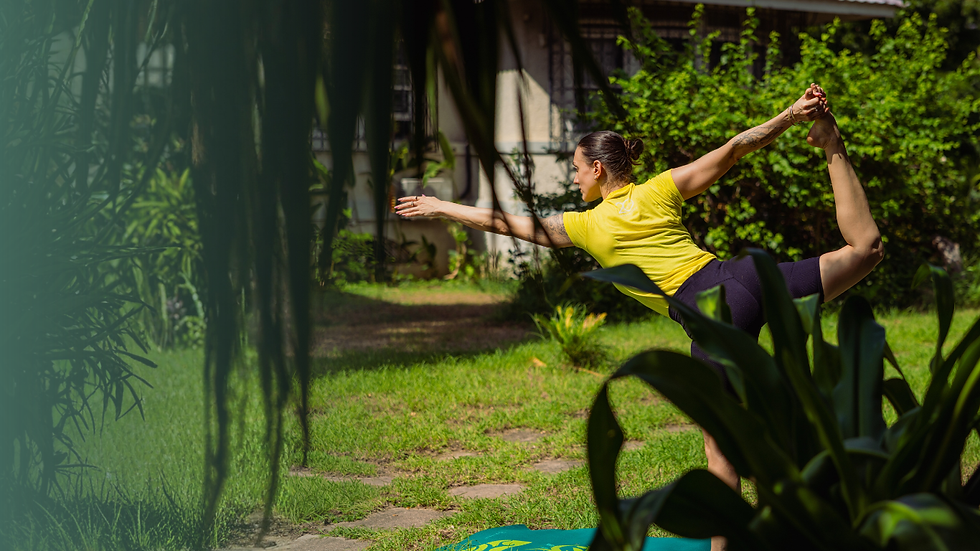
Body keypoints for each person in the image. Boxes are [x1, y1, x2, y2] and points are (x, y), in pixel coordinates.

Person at [395, 84, 883, 551]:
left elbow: (509, 223)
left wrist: (442, 207)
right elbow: (734, 148)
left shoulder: (584, 225)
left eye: (577, 169)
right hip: (743, 282)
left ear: (600, 169)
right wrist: (791, 116)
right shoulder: (659, 190)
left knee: (721, 455)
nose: (573, 177)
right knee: (865, 250)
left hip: (709, 315)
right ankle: (830, 143)